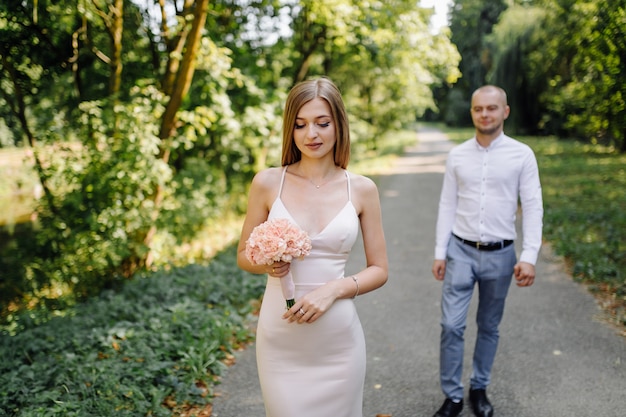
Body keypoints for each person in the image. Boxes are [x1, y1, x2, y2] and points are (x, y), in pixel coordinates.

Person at [237, 77, 388, 417]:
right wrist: (266, 263)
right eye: (301, 125)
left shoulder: (362, 189)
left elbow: (380, 270)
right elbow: (243, 256)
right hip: (281, 338)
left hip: (338, 341)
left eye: (322, 123)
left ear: (339, 125)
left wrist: (334, 289)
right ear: (290, 129)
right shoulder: (267, 183)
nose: (312, 135)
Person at [430, 85, 543, 417]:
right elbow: (447, 203)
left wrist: (529, 256)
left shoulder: (522, 155)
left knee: (489, 325)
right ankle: (452, 396)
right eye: (478, 109)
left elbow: (533, 206)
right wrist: (440, 251)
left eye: (492, 108)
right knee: (451, 325)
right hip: (460, 251)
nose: (485, 114)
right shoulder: (457, 155)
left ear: (504, 111)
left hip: (501, 254)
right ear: (472, 113)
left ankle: (479, 388)